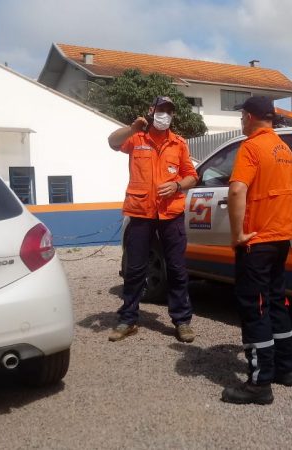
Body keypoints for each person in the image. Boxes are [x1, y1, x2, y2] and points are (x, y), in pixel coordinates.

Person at [221, 96, 292, 405]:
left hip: (256, 242)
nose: (241, 121)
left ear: (249, 116)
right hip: (281, 238)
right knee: (275, 302)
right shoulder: (282, 148)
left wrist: (237, 234)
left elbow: (236, 188)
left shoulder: (251, 147)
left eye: (242, 116)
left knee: (254, 308)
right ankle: (286, 370)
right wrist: (287, 212)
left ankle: (259, 384)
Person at [107, 96, 198, 343]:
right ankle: (128, 319)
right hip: (140, 213)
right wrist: (132, 127)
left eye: (169, 111)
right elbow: (112, 142)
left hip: (171, 214)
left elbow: (192, 176)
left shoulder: (179, 144)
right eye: (160, 110)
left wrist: (178, 185)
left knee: (177, 269)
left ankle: (182, 321)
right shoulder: (136, 139)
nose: (164, 114)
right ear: (151, 111)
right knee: (135, 269)